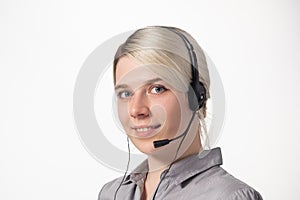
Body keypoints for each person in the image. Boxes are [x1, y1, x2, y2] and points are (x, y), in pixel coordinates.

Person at [98, 26, 263, 200]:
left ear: (197, 97)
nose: (136, 110)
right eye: (126, 93)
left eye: (157, 89)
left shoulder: (229, 197)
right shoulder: (111, 194)